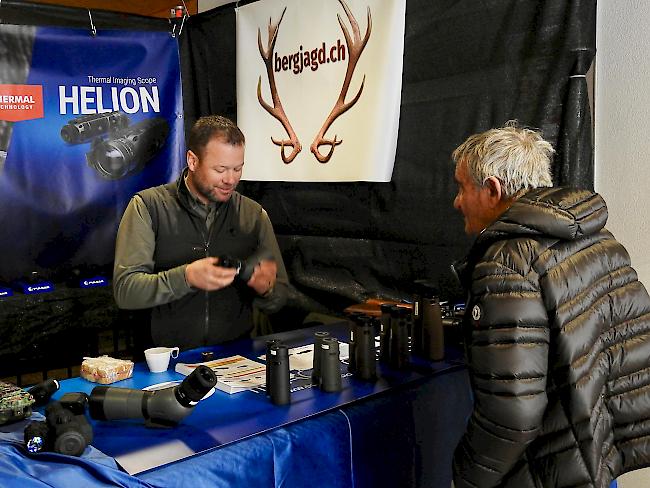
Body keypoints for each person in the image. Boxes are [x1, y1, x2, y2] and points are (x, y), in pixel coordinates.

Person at [450, 122, 650, 488]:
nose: (457, 201)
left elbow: (512, 413)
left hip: (548, 472)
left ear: (492, 190)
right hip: (596, 457)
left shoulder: (506, 263)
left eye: (462, 188)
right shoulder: (596, 237)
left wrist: (467, 478)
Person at [113, 115, 288, 350]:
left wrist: (267, 289)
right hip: (165, 361)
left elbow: (280, 297)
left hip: (236, 359)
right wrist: (186, 277)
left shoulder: (253, 214)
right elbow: (126, 291)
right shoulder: (148, 207)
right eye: (220, 169)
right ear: (193, 161)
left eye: (238, 168)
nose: (230, 179)